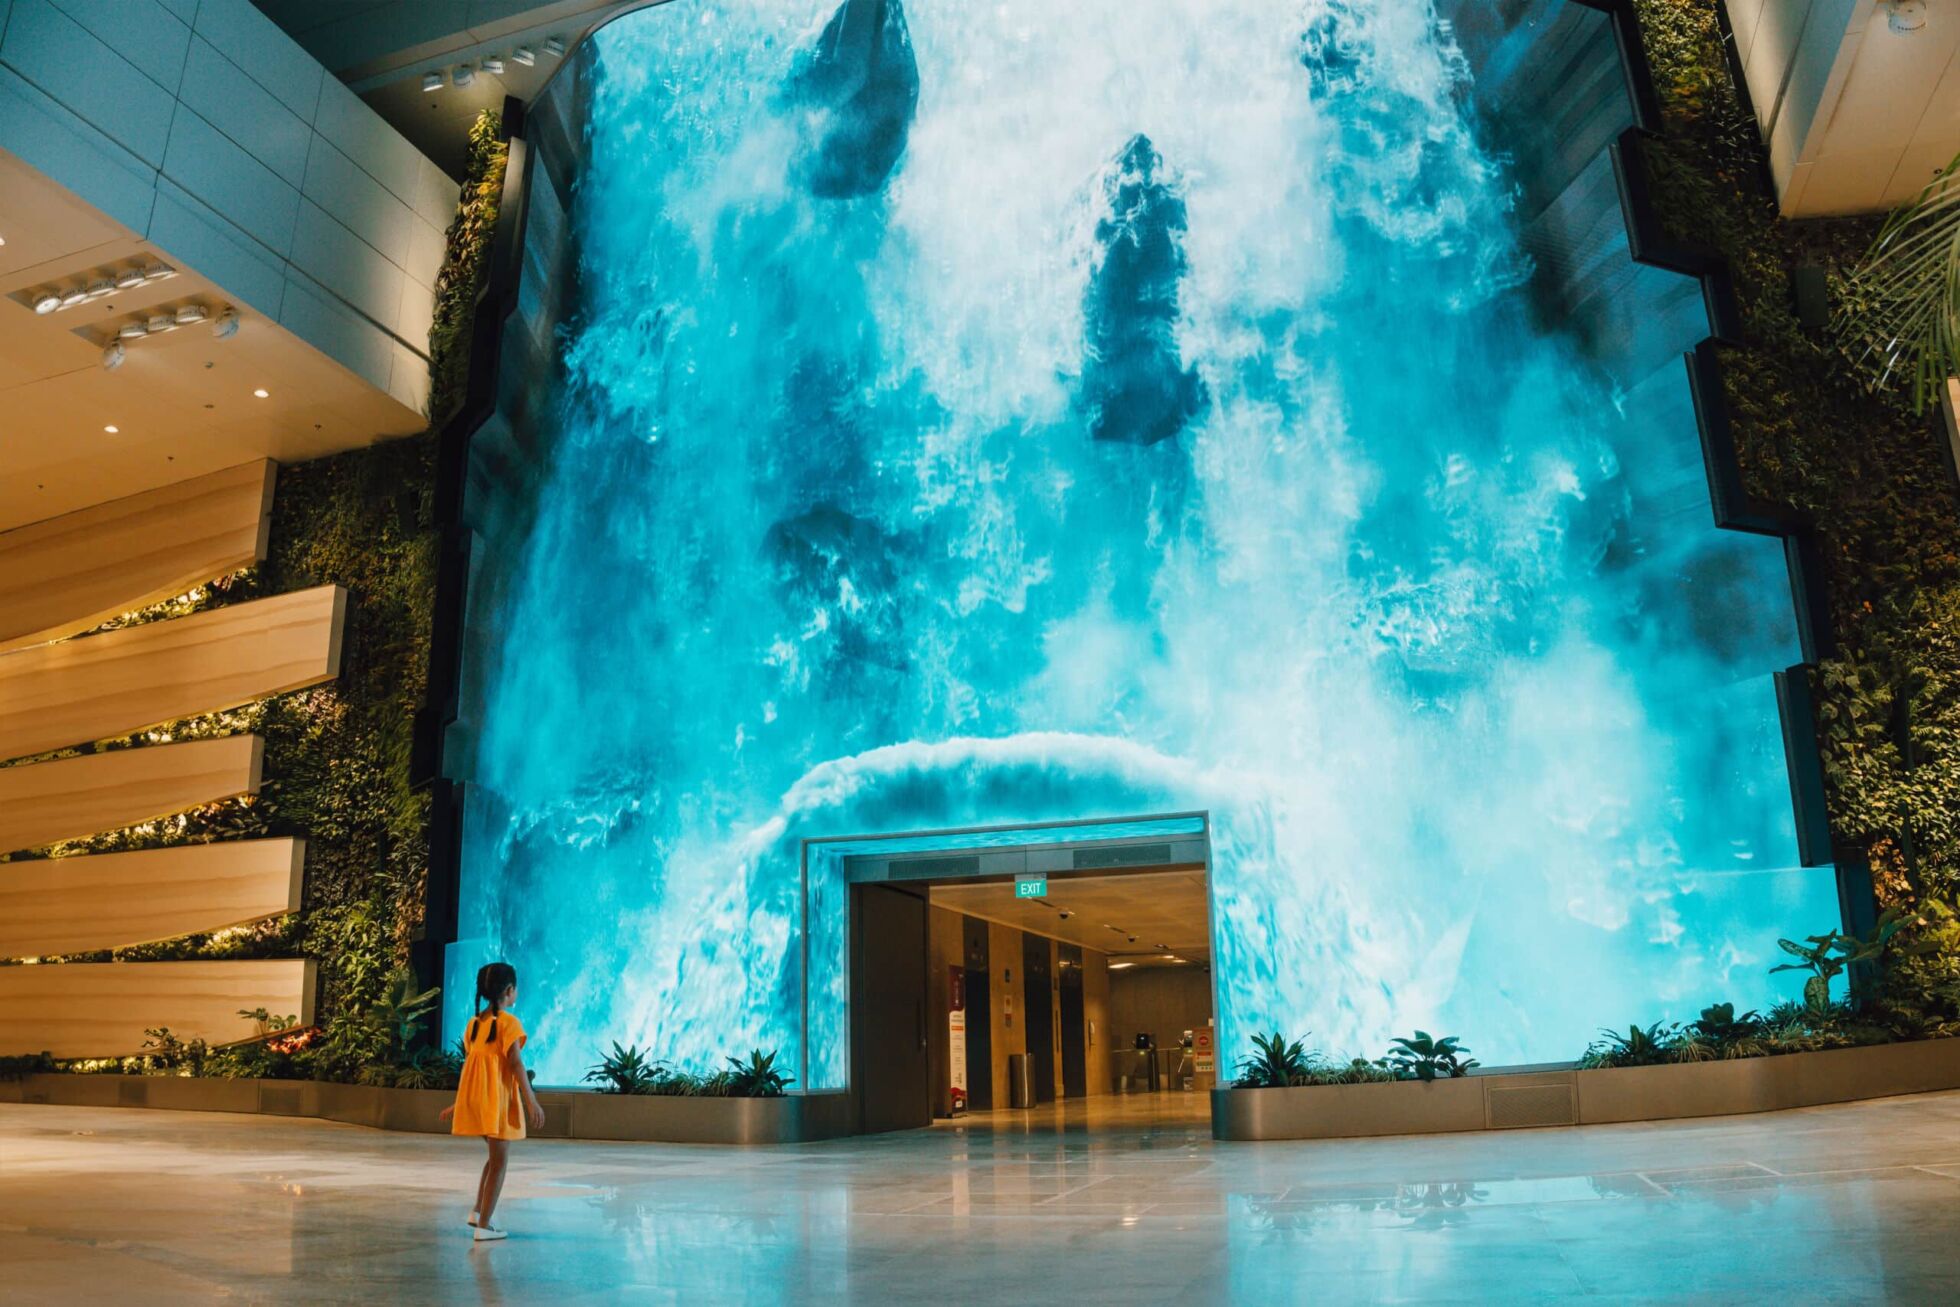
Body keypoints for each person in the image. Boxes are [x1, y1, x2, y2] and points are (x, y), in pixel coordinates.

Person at [438, 961, 545, 1242]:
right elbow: (516, 1064)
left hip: (480, 1103)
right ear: (509, 991)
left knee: (494, 1159)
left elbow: (471, 1069)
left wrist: (461, 1102)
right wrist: (530, 1099)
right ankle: (485, 1226)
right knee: (500, 1162)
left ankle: (477, 1212)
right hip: (496, 1104)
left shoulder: (474, 1025)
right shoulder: (509, 1023)